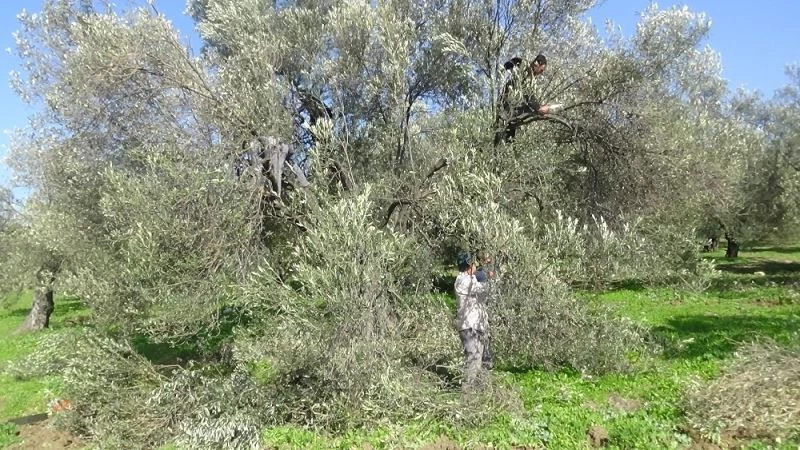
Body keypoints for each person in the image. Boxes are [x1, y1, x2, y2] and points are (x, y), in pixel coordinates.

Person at [495, 54, 551, 145]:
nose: (541, 72)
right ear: (538, 64)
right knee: (505, 135)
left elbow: (529, 95)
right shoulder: (526, 69)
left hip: (512, 108)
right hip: (508, 105)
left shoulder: (531, 77)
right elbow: (528, 94)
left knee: (509, 138)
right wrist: (538, 108)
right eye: (542, 70)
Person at [454, 252, 489, 388]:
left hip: (475, 325)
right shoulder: (464, 280)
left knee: (477, 360)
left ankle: (476, 392)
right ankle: (466, 395)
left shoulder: (469, 279)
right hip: (469, 326)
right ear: (469, 265)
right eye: (474, 264)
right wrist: (491, 277)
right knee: (473, 359)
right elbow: (484, 289)